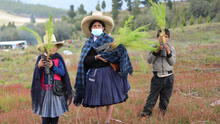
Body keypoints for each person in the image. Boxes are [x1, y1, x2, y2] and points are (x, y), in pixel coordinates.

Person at [73, 12, 133, 124]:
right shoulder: (88, 44)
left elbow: (118, 55)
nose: (97, 28)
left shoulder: (110, 41)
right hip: (94, 74)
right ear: (91, 29)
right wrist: (97, 57)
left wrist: (109, 58)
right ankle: (100, 121)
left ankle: (107, 121)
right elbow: (85, 61)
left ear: (103, 28)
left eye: (99, 26)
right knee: (97, 99)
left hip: (109, 73)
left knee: (110, 98)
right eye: (94, 26)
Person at [31, 34, 73, 124]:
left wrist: (53, 66)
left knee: (55, 117)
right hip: (44, 91)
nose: (53, 48)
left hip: (56, 91)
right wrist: (39, 66)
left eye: (54, 46)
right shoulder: (41, 58)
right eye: (50, 46)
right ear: (45, 47)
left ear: (57, 47)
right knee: (45, 117)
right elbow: (36, 74)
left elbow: (63, 73)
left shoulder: (58, 58)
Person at [140, 29, 176, 118]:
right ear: (157, 38)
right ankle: (146, 114)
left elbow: (172, 62)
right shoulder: (153, 47)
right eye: (161, 36)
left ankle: (161, 114)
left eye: (166, 36)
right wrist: (155, 51)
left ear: (168, 38)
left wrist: (168, 52)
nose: (163, 38)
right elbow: (149, 60)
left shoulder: (171, 47)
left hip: (169, 77)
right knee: (152, 97)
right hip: (157, 77)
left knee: (165, 98)